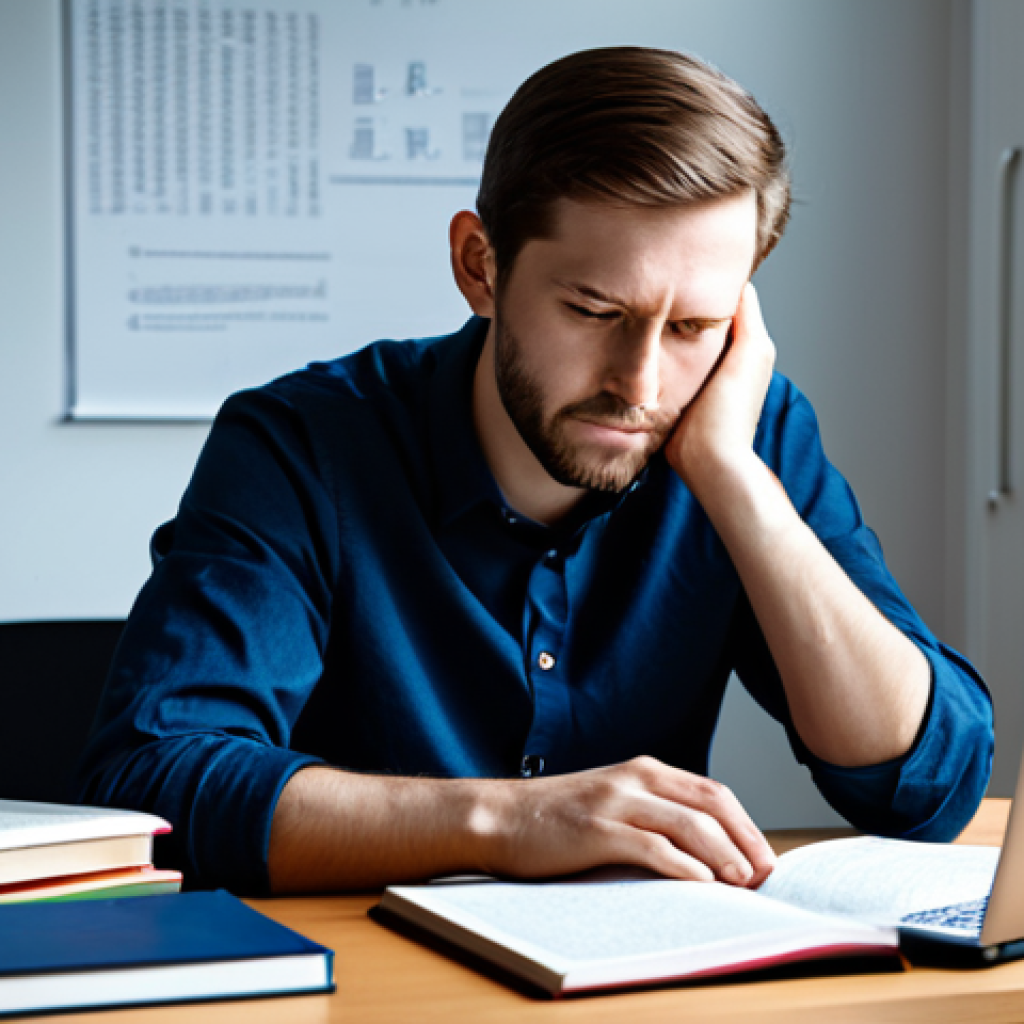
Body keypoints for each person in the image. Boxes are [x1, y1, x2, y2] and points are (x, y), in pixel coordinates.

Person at [75, 47, 993, 896]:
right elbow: (155, 786)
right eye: (594, 309)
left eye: (690, 328)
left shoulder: (748, 429)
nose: (639, 384)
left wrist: (731, 477)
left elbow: (928, 787)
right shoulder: (300, 445)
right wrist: (505, 820)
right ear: (480, 266)